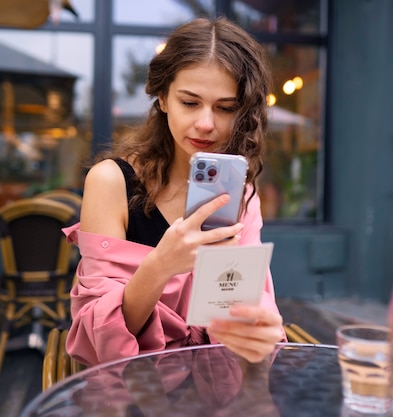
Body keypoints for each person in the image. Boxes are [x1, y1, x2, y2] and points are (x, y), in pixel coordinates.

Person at [64, 16, 285, 367]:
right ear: (163, 98)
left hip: (219, 384)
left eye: (226, 108)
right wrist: (160, 265)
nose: (206, 123)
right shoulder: (112, 182)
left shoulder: (240, 191)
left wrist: (258, 325)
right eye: (190, 102)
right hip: (133, 389)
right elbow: (96, 336)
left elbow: (244, 306)